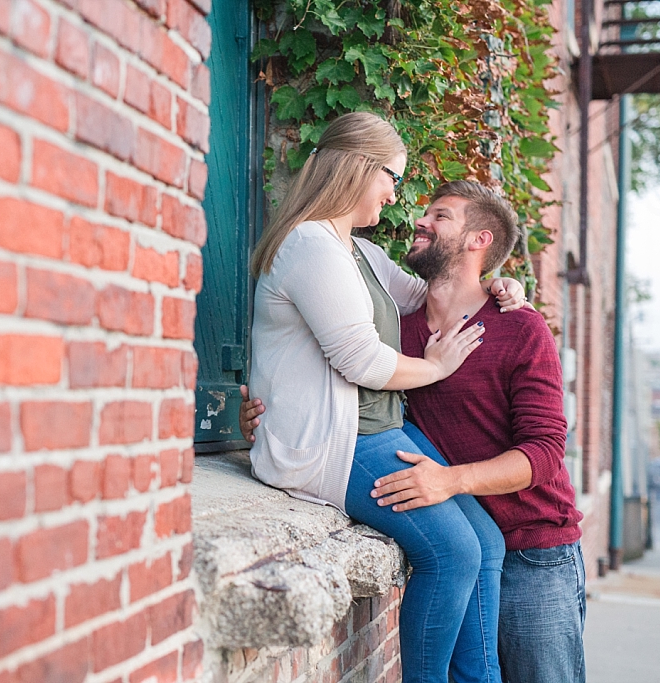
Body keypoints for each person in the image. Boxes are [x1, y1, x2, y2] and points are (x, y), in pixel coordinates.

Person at [242, 180, 585, 683]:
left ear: (479, 240)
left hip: (536, 550)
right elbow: (315, 368)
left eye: (440, 216)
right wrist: (268, 413)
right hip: (463, 526)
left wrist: (450, 481)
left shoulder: (519, 328)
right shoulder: (398, 333)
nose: (421, 220)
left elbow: (545, 452)